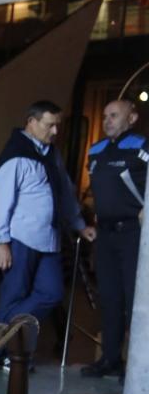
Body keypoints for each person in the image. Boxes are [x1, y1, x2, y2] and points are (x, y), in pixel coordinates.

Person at [0, 101, 88, 352]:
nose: (55, 132)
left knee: (53, 293)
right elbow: (1, 199)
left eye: (58, 126)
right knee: (14, 295)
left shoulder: (51, 154)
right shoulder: (16, 154)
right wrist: (1, 242)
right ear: (31, 123)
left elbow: (64, 192)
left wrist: (79, 224)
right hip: (20, 239)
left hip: (50, 239)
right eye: (50, 125)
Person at [80, 99, 147, 379]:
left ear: (131, 118)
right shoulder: (96, 151)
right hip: (105, 235)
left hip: (133, 233)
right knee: (109, 298)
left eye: (114, 115)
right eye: (105, 115)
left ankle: (137, 366)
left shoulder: (141, 147)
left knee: (134, 300)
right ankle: (110, 359)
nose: (107, 120)